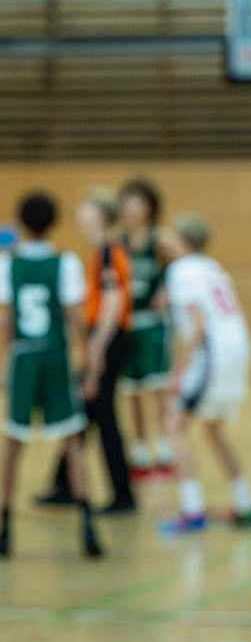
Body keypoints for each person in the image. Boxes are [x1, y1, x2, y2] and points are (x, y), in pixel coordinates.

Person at [0, 192, 103, 558]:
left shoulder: (7, 265)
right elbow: (78, 322)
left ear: (22, 222)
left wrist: (5, 368)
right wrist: (92, 366)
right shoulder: (67, 263)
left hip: (24, 359)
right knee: (73, 442)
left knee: (13, 445)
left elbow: (7, 322)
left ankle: (5, 528)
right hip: (56, 358)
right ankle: (88, 527)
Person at [38, 188, 137, 514]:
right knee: (85, 413)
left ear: (100, 214)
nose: (80, 213)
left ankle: (123, 495)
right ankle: (66, 484)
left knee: (100, 414)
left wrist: (95, 352)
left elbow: (114, 303)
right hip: (107, 338)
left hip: (108, 338)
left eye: (87, 207)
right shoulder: (102, 249)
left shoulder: (109, 250)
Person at [160, 214, 251, 533]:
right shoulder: (212, 267)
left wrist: (177, 372)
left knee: (174, 426)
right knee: (214, 430)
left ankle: (192, 510)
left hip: (212, 354)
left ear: (180, 239)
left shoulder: (181, 270)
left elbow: (197, 326)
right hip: (238, 349)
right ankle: (245, 503)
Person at [118, 178, 174, 479]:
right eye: (127, 200)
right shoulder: (120, 242)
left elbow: (182, 267)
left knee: (158, 391)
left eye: (136, 200)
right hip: (130, 325)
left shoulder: (161, 238)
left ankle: (166, 453)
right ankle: (140, 456)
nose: (130, 206)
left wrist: (167, 291)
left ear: (150, 205)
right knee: (133, 393)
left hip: (154, 327)